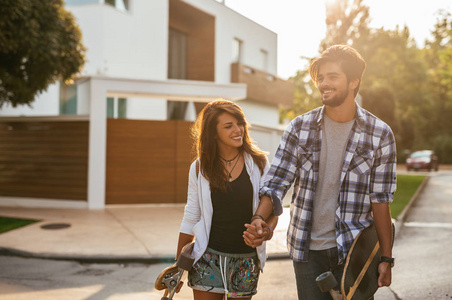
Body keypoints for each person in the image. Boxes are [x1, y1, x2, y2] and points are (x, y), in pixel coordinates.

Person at [244, 45, 397, 299]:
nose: (324, 83)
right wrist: (259, 219)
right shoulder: (300, 128)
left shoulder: (380, 134)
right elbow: (276, 183)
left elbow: (380, 201)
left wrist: (386, 258)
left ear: (353, 82)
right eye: (321, 78)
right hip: (307, 252)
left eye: (333, 77)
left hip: (353, 251)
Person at [176, 99, 277, 300]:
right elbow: (191, 215)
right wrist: (178, 267)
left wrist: (267, 231)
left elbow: (272, 207)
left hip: (246, 260)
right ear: (213, 133)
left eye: (240, 123)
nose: (238, 130)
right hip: (207, 258)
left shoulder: (259, 163)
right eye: (228, 126)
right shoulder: (199, 168)